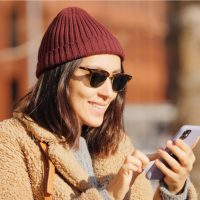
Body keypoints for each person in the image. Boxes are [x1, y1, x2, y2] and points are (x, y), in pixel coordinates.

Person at [0, 7, 198, 200]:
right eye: (96, 77)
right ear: (59, 77)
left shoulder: (117, 146)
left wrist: (174, 189)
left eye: (117, 80)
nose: (109, 93)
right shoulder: (11, 142)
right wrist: (109, 195)